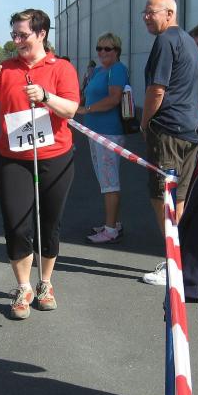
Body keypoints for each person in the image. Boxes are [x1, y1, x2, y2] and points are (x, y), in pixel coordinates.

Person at [0, 8, 79, 320]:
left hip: (54, 156)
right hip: (14, 158)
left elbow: (71, 109)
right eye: (14, 35)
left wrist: (45, 96)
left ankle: (45, 283)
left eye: (23, 35)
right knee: (17, 224)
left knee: (49, 223)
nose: (16, 40)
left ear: (41, 33)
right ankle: (23, 287)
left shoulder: (61, 68)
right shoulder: (6, 69)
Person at [139, 0, 198, 287]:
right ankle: (178, 258)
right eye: (144, 12)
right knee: (178, 198)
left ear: (169, 13)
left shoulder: (166, 41)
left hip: (169, 132)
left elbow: (157, 90)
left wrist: (144, 121)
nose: (146, 17)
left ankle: (173, 263)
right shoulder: (188, 41)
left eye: (151, 12)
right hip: (190, 130)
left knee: (162, 197)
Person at [75, 32, 127, 244]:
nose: (102, 52)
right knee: (105, 180)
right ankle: (113, 223)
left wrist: (86, 110)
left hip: (109, 132)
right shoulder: (98, 70)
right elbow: (86, 94)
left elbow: (114, 99)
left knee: (109, 182)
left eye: (107, 48)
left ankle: (110, 229)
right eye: (99, 48)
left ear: (117, 51)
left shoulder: (117, 69)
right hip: (95, 132)